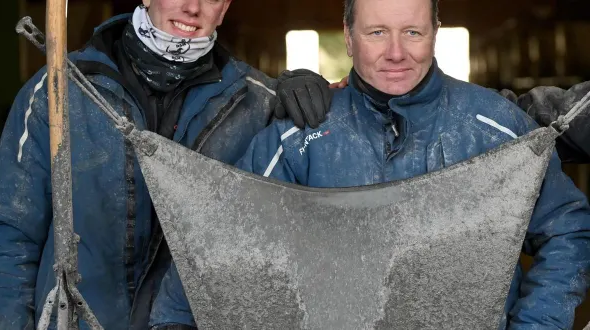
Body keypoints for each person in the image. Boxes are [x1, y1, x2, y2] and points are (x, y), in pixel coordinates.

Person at [153, 0, 590, 329]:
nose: (396, 52)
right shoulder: (300, 135)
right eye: (377, 32)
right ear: (347, 35)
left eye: (413, 33)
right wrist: (172, 321)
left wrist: (537, 324)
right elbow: (223, 237)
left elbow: (566, 229)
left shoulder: (496, 127)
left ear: (435, 32)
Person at [0, 1, 333, 329]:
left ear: (224, 8)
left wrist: (323, 98)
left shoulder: (257, 105)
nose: (192, 8)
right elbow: (12, 238)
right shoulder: (57, 90)